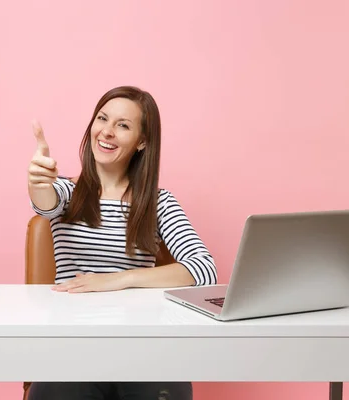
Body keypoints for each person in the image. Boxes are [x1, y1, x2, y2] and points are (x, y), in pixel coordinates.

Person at [26, 86, 217, 400]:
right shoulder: (66, 192)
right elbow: (44, 203)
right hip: (73, 346)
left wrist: (117, 280)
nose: (107, 131)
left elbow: (204, 271)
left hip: (141, 347)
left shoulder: (159, 204)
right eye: (102, 118)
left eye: (123, 125)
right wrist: (38, 181)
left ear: (142, 142)